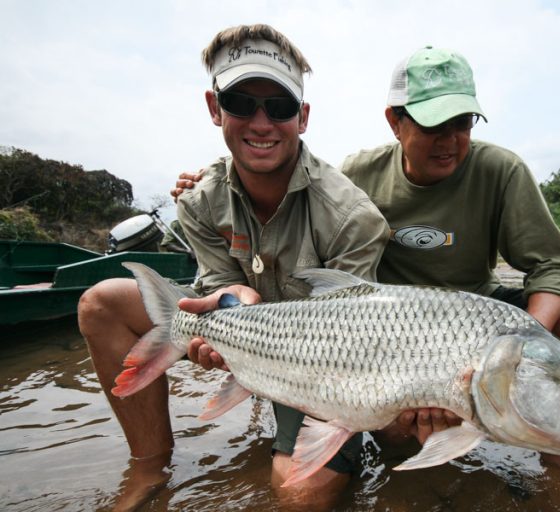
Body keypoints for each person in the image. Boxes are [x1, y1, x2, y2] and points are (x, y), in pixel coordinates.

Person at [172, 45, 560, 473]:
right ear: (395, 121)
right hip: (390, 325)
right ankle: (400, 459)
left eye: (462, 122)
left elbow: (552, 266)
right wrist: (210, 178)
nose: (449, 140)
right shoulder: (358, 174)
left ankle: (559, 465)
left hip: (479, 315)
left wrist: (520, 355)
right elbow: (293, 183)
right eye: (433, 124)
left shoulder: (502, 171)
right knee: (398, 433)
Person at [78, 23, 389, 511]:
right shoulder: (200, 200)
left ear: (302, 117)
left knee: (299, 496)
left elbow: (352, 337)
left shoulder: (354, 217)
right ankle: (148, 468)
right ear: (214, 108)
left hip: (322, 369)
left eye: (280, 107)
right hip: (239, 332)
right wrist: (230, 300)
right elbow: (221, 281)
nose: (261, 123)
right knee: (102, 302)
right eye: (242, 103)